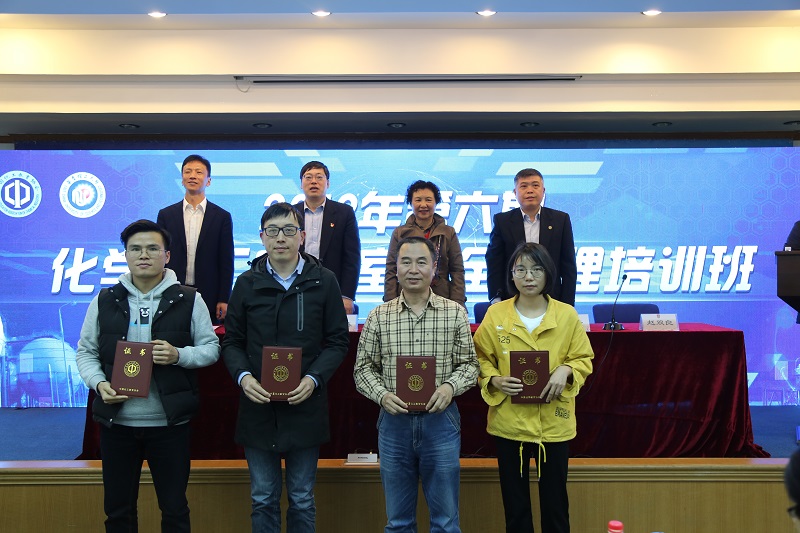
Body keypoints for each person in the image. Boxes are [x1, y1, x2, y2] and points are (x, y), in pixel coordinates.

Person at [75, 219, 220, 532]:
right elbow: (86, 352)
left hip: (169, 425)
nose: (144, 255)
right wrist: (99, 384)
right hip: (117, 424)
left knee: (175, 510)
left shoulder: (189, 299)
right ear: (125, 255)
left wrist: (179, 355)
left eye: (153, 248)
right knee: (118, 512)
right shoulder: (104, 300)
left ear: (166, 256)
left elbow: (211, 349)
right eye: (135, 249)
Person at [221, 202, 349, 533]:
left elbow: (337, 342)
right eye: (273, 231)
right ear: (262, 237)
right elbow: (232, 342)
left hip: (305, 404)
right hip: (258, 406)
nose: (281, 238)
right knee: (263, 497)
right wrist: (243, 377)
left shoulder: (324, 281)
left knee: (302, 498)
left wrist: (314, 378)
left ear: (302, 236)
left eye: (289, 230)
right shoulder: (246, 283)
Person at [354, 236, 479, 533]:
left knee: (446, 522)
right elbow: (362, 369)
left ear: (434, 268)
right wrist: (382, 395)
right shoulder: (378, 316)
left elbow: (470, 365)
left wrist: (449, 388)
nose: (413, 269)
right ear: (395, 268)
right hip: (394, 423)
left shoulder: (454, 312)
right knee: (398, 522)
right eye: (406, 262)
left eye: (421, 262)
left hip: (441, 422)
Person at [473, 242, 593, 533]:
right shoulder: (496, 315)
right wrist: (494, 379)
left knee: (555, 508)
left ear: (548, 273)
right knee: (515, 510)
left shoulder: (566, 315)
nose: (529, 277)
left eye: (536, 269)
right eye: (521, 270)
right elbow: (479, 358)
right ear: (511, 274)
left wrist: (566, 370)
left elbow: (583, 358)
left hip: (553, 424)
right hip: (509, 423)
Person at [157, 154, 234, 324]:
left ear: (208, 181)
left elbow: (226, 261)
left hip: (209, 293)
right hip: (171, 291)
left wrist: (224, 298)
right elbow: (159, 256)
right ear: (182, 179)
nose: (192, 176)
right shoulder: (166, 215)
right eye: (188, 172)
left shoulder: (221, 217)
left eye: (199, 172)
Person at [485, 168, 577, 306]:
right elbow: (494, 262)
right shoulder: (503, 221)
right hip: (513, 298)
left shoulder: (560, 220)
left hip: (552, 298)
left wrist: (567, 303)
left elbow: (568, 265)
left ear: (543, 191)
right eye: (524, 186)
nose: (530, 190)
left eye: (535, 185)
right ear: (515, 192)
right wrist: (496, 297)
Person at [293, 160, 361, 314]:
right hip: (295, 287)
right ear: (301, 184)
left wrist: (347, 296)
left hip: (332, 289)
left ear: (328, 183)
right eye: (308, 177)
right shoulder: (290, 213)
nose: (314, 181)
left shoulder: (344, 213)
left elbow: (352, 258)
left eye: (319, 177)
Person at [383, 180, 466, 305]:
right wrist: (390, 302)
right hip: (406, 298)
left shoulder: (448, 233)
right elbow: (391, 269)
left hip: (442, 298)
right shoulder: (399, 233)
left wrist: (458, 303)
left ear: (436, 202)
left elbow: (457, 270)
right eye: (418, 200)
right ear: (411, 203)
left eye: (428, 200)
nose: (423, 205)